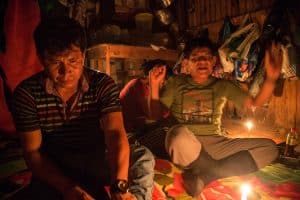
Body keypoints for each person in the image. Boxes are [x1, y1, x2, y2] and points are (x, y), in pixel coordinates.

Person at [10, 17, 154, 200]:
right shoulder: (27, 94)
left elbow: (115, 133)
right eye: (56, 62)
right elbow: (32, 153)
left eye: (73, 60)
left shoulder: (102, 84)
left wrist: (120, 185)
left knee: (142, 157)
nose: (66, 70)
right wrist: (68, 188)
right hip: (56, 162)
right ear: (41, 59)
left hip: (95, 156)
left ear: (83, 55)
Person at [146, 37, 282, 197]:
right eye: (195, 58)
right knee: (176, 135)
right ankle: (213, 169)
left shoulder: (223, 85)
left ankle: (209, 174)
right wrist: (154, 86)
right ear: (186, 64)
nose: (201, 61)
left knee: (269, 148)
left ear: (213, 61)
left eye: (206, 57)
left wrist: (271, 79)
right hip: (188, 144)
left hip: (217, 144)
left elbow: (255, 105)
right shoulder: (176, 83)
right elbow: (155, 116)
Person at [120, 59, 172, 134]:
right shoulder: (138, 86)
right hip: (130, 133)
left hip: (138, 128)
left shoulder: (140, 84)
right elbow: (156, 116)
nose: (164, 84)